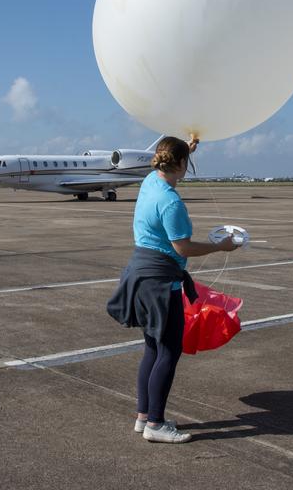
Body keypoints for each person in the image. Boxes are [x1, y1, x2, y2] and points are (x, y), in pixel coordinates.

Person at [108, 136, 237, 444]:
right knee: (169, 350)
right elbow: (184, 247)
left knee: (153, 347)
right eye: (185, 161)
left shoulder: (150, 181)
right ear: (180, 164)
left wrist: (185, 150)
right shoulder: (170, 201)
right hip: (159, 282)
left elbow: (167, 164)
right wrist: (221, 246)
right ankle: (155, 424)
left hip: (139, 274)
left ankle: (144, 416)